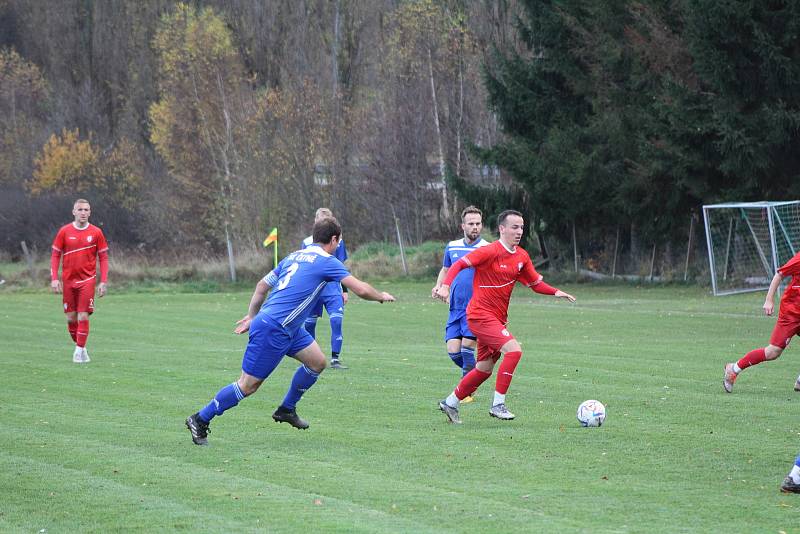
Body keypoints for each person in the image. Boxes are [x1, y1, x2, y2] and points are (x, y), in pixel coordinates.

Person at [186, 217, 394, 445]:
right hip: (274, 328)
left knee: (317, 362)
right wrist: (381, 296)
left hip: (288, 327)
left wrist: (253, 316)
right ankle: (200, 418)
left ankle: (287, 409)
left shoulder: (293, 256)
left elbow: (261, 287)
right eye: (339, 240)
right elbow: (362, 289)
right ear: (334, 240)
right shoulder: (327, 261)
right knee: (248, 385)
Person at [435, 210, 575, 424]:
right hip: (480, 316)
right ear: (502, 229)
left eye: (521, 227)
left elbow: (535, 284)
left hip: (497, 319)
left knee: (483, 370)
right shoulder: (489, 251)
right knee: (514, 350)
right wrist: (445, 287)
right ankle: (498, 405)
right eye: (514, 227)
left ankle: (450, 403)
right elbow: (458, 265)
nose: (519, 231)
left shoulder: (521, 256)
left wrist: (556, 291)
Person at [431, 206, 489, 401]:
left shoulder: (487, 249)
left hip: (475, 308)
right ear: (462, 225)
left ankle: (465, 393)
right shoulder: (453, 246)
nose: (475, 227)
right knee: (454, 352)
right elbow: (446, 269)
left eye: (478, 223)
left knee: (466, 350)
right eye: (471, 224)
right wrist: (439, 286)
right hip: (455, 307)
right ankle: (478, 373)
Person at [723, 251, 800, 393]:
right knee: (773, 352)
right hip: (791, 313)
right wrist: (769, 300)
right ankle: (733, 369)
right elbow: (780, 274)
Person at [50, 199, 109, 363]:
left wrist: (103, 281)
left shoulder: (97, 232)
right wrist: (54, 278)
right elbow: (55, 255)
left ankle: (77, 352)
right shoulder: (64, 231)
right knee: (71, 318)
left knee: (83, 315)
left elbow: (103, 258)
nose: (83, 212)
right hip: (68, 281)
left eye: (86, 210)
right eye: (80, 209)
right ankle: (82, 348)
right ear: (74, 212)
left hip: (87, 280)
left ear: (90, 212)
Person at [301, 208, 350, 369]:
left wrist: (344, 290)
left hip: (332, 289)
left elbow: (341, 266)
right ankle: (310, 359)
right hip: (314, 289)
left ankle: (335, 359)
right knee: (309, 324)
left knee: (336, 320)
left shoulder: (338, 242)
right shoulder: (307, 242)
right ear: (315, 222)